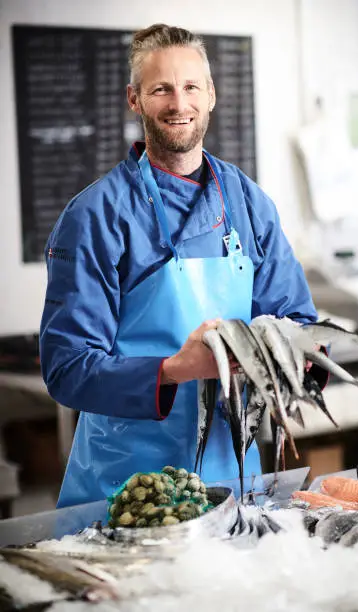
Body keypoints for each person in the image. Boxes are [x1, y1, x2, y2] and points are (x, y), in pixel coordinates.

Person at [40, 23, 322, 508]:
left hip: (233, 481)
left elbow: (298, 324)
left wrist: (297, 362)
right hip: (125, 488)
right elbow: (67, 368)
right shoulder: (94, 216)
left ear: (210, 94)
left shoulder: (249, 203)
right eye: (161, 89)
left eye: (191, 86)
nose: (179, 103)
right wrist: (175, 370)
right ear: (135, 100)